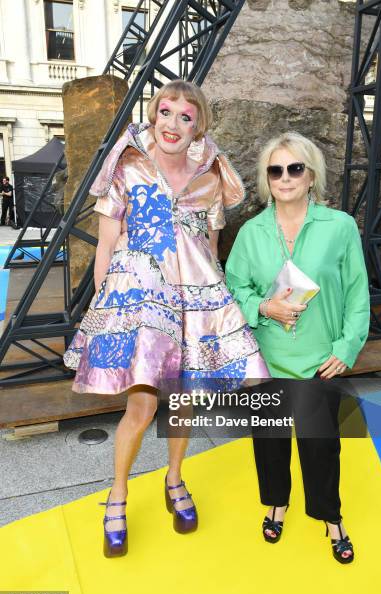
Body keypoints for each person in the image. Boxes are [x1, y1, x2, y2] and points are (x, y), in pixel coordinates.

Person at [63, 80, 269, 558]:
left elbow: (211, 248)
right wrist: (106, 305)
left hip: (194, 304)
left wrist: (215, 310)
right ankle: (118, 494)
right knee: (142, 407)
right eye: (167, 112)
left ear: (198, 124)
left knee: (182, 404)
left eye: (186, 115)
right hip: (138, 300)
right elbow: (107, 242)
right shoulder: (128, 164)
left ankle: (175, 480)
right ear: (154, 114)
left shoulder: (212, 174)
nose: (174, 123)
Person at [225, 132, 370, 564]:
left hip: (319, 358)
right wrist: (263, 307)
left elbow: (359, 293)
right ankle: (276, 503)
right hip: (266, 359)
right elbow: (233, 288)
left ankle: (331, 517)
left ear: (311, 176)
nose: (284, 177)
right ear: (266, 178)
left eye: (294, 168)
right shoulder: (251, 233)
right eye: (275, 169)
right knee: (269, 443)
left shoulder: (340, 226)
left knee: (320, 445)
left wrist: (347, 347)